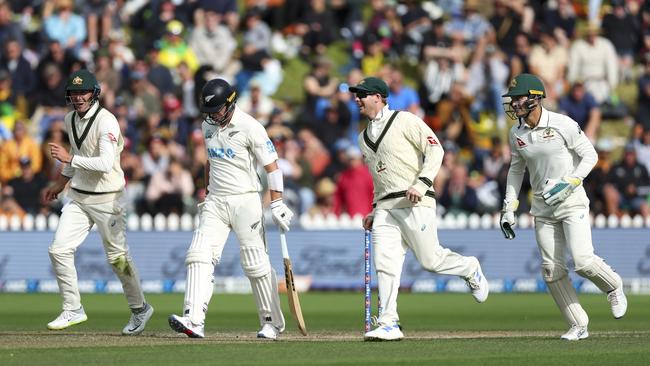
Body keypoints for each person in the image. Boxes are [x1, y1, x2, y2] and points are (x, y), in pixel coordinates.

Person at [351, 77, 489, 341]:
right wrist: (373, 208)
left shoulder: (405, 120)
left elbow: (434, 150)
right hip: (385, 207)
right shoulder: (362, 138)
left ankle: (469, 268)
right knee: (386, 263)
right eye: (356, 95)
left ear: (378, 97)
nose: (357, 99)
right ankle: (389, 321)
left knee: (430, 260)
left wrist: (423, 183)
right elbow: (380, 178)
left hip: (415, 200)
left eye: (362, 95)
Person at [499, 73, 627, 341]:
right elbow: (515, 170)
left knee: (582, 261)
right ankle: (578, 324)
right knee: (551, 269)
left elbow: (590, 155)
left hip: (571, 202)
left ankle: (614, 286)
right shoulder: (516, 133)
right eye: (512, 99)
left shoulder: (562, 123)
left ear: (535, 98)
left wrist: (570, 181)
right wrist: (509, 207)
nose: (514, 104)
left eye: (519, 98)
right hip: (543, 209)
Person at [168, 78, 293, 340]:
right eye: (208, 112)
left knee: (255, 264)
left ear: (230, 102)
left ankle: (271, 322)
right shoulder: (207, 126)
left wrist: (278, 202)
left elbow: (272, 166)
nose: (213, 116)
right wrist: (206, 191)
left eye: (217, 110)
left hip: (246, 201)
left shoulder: (251, 126)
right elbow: (210, 162)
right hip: (216, 200)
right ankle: (193, 319)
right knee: (198, 255)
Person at [43, 69, 154, 334]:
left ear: (94, 94)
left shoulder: (107, 122)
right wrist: (60, 184)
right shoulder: (70, 119)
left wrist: (70, 159)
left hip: (108, 200)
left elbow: (104, 164)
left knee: (117, 259)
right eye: (74, 93)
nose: (78, 98)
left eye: (83, 92)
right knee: (58, 250)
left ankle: (140, 309)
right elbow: (79, 155)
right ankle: (73, 308)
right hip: (79, 197)